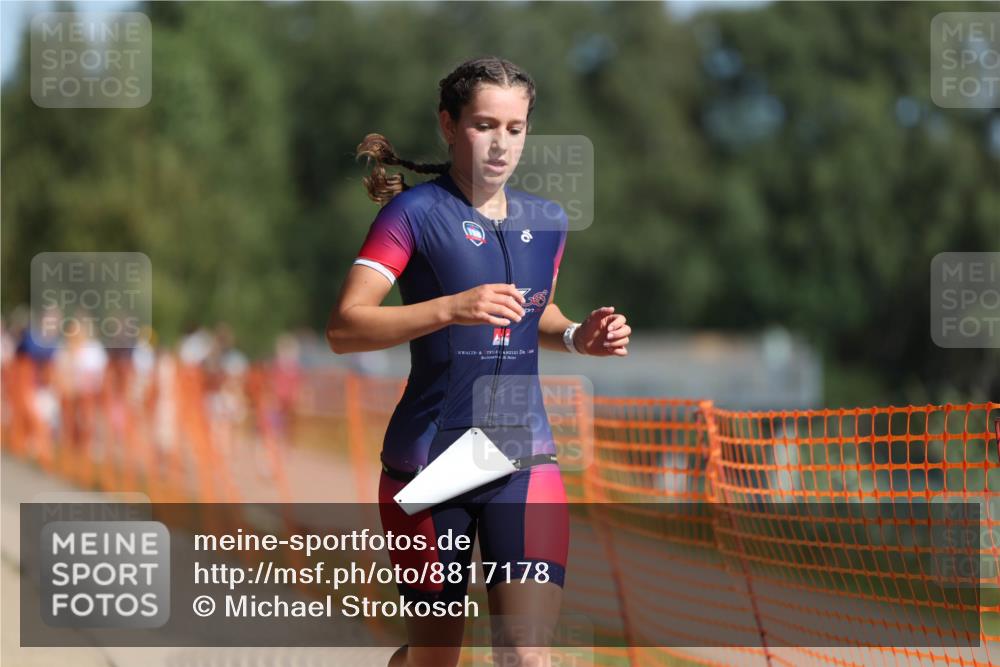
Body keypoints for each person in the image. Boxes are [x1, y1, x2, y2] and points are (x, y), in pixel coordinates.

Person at [326, 56, 631, 667]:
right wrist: (450, 308)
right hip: (430, 467)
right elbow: (344, 327)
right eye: (484, 125)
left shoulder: (547, 220)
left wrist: (576, 336)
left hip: (523, 455)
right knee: (436, 658)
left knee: (525, 654)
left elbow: (529, 310)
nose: (501, 144)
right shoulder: (409, 216)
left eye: (515, 129)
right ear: (448, 123)